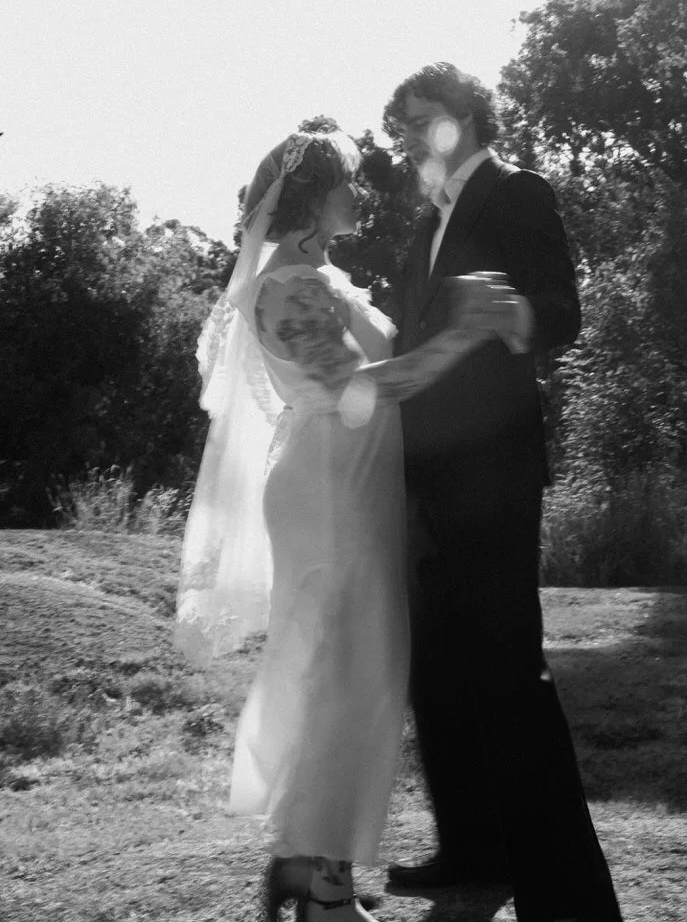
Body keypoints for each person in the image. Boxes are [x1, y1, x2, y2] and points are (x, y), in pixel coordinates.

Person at [174, 127, 518, 922]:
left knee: (356, 672)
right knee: (345, 675)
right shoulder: (286, 287)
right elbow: (360, 389)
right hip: (327, 491)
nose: (360, 195)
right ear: (311, 197)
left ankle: (303, 863)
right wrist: (466, 333)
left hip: (357, 485)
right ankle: (324, 891)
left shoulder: (325, 277)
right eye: (349, 184)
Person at [383, 63, 623, 922]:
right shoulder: (424, 229)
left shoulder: (517, 192)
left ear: (471, 117)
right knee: (438, 674)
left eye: (426, 118)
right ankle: (475, 853)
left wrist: (512, 313)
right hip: (423, 481)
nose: (412, 135)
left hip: (493, 477)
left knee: (508, 675)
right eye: (403, 124)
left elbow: (563, 310)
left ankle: (568, 897)